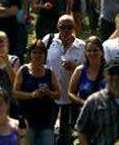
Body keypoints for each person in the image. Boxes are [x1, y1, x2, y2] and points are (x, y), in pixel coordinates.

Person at [42, 14, 85, 143]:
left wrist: (75, 68)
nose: (66, 30)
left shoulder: (82, 46)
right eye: (62, 27)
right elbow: (39, 61)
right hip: (51, 94)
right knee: (47, 130)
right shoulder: (48, 40)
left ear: (74, 27)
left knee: (66, 134)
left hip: (70, 96)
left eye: (69, 27)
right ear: (57, 26)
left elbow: (87, 71)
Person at [13, 40, 60, 145]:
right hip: (27, 120)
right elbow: (15, 92)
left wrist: (49, 93)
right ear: (30, 54)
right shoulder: (23, 70)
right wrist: (31, 95)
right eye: (35, 52)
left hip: (46, 120)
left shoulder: (49, 72)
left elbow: (58, 94)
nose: (38, 55)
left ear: (44, 54)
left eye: (40, 52)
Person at [68, 36, 106, 105]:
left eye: (95, 50)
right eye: (89, 51)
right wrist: (85, 103)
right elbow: (71, 93)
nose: (92, 53)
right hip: (84, 113)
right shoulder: (79, 70)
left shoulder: (109, 71)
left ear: (102, 52)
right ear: (85, 53)